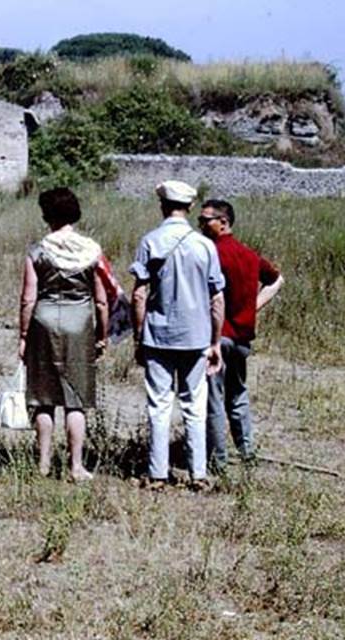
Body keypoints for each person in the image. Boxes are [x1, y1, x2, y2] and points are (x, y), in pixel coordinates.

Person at [130, 181, 225, 492]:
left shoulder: (150, 241)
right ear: (189, 208)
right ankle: (198, 472)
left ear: (162, 205)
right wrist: (215, 341)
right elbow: (217, 299)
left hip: (158, 334)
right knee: (194, 404)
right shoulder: (205, 246)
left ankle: (157, 472)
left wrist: (138, 335)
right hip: (196, 335)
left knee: (159, 405)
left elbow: (139, 295)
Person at [19, 187, 109, 482]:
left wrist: (23, 335)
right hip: (79, 323)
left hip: (43, 322)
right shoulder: (91, 250)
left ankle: (43, 464)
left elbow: (28, 299)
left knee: (43, 398)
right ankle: (76, 467)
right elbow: (101, 300)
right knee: (76, 399)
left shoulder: (37, 251)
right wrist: (102, 334)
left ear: (46, 216)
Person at [198, 199, 283, 469]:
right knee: (237, 396)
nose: (200, 225)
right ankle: (247, 452)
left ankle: (217, 460)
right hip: (242, 339)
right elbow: (277, 279)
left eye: (205, 220)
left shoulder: (210, 254)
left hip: (218, 338)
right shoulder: (249, 255)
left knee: (212, 399)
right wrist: (253, 307)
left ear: (224, 222)